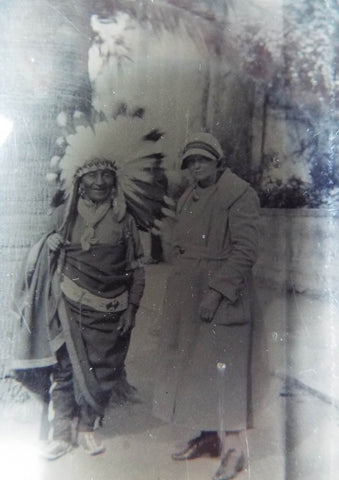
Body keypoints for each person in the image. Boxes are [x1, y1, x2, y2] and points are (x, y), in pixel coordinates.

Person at [11, 118, 164, 461]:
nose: (98, 182)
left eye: (105, 175)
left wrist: (132, 309)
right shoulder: (63, 216)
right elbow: (38, 251)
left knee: (103, 372)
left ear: (114, 180)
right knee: (65, 370)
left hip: (110, 311)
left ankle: (87, 428)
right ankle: (61, 433)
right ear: (79, 181)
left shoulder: (125, 219)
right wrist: (48, 243)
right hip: (67, 307)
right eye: (91, 175)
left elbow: (137, 269)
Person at [153, 132, 260, 480]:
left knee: (226, 370)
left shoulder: (238, 193)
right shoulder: (188, 196)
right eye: (190, 162)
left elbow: (245, 250)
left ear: (218, 162)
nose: (196, 167)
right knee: (193, 368)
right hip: (188, 293)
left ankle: (234, 450)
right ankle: (207, 437)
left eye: (203, 160)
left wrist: (215, 291)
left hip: (223, 294)